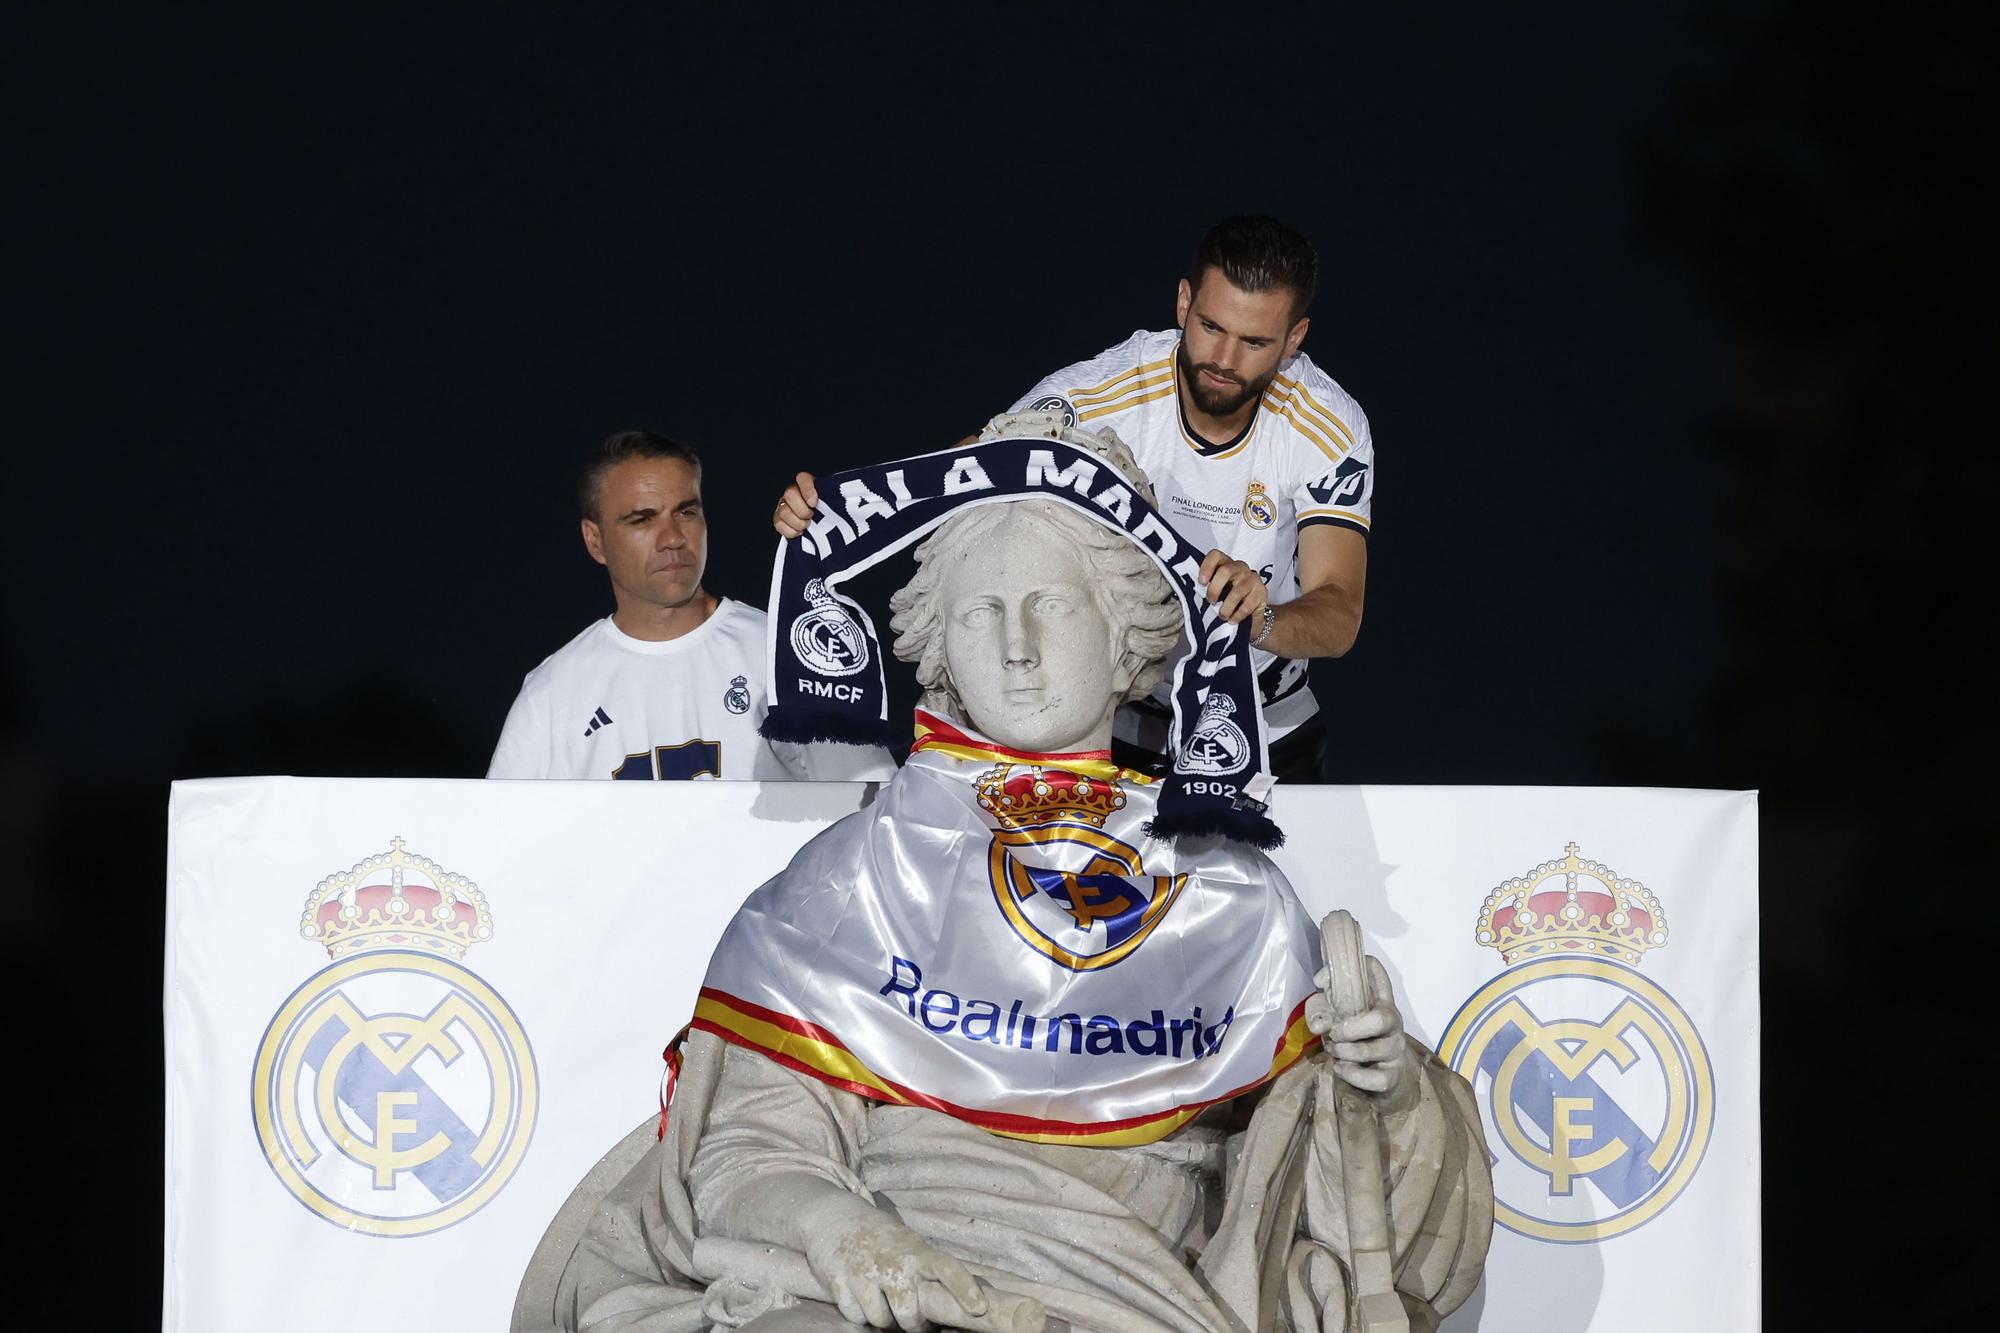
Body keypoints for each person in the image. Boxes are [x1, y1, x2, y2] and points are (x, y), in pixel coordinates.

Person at [533, 427, 1487, 1333]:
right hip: (898, 1276)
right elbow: (746, 1151)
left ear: (1123, 632)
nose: (1018, 646)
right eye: (983, 612)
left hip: (1135, 1293)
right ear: (939, 641)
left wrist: (1388, 1090)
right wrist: (843, 1232)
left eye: (1051, 604)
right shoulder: (857, 871)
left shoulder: (1222, 883)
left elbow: (1352, 1210)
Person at [773, 215, 1373, 782]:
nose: (1223, 360)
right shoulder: (1098, 395)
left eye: (1254, 342)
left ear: (1294, 338)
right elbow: (960, 473)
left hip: (1265, 729)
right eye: (1211, 328)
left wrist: (1260, 618)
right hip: (1121, 726)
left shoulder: (1327, 425)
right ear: (1184, 303)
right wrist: (831, 511)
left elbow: (1340, 613)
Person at [490, 430, 895, 782]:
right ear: (595, 541)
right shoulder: (551, 693)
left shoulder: (786, 657)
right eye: (642, 519)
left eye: (686, 511)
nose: (672, 537)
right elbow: (498, 849)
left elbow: (871, 815)